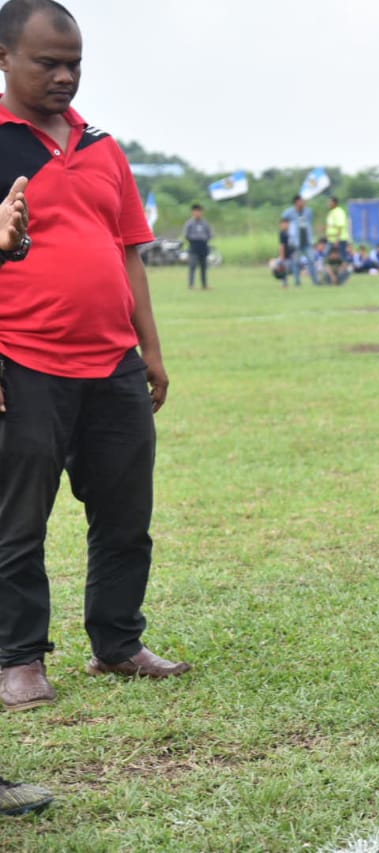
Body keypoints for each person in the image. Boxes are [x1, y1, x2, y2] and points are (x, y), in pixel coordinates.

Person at [0, 0, 191, 715]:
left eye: (74, 63)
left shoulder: (103, 146)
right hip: (24, 361)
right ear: (4, 57)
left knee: (124, 514)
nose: (64, 75)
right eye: (47, 61)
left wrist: (151, 349)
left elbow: (130, 256)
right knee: (17, 520)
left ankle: (117, 642)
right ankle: (18, 658)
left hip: (112, 364)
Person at [281, 194, 315, 286]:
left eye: (303, 201)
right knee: (296, 262)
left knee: (311, 260)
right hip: (296, 243)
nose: (302, 203)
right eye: (300, 201)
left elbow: (310, 222)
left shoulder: (308, 212)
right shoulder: (290, 212)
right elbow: (283, 220)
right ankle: (297, 282)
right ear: (296, 202)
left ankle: (315, 281)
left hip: (307, 241)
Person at [182, 203, 212, 290]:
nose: (198, 213)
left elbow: (210, 234)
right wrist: (193, 240)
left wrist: (205, 239)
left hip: (203, 245)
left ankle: (204, 285)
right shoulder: (189, 223)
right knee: (192, 266)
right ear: (193, 212)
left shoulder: (205, 223)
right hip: (193, 246)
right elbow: (186, 235)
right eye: (196, 211)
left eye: (199, 211)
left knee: (204, 266)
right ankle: (191, 285)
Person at [325, 195, 349, 260]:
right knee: (326, 255)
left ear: (335, 203)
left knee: (342, 256)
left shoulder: (339, 212)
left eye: (330, 202)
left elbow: (340, 226)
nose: (329, 203)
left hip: (339, 239)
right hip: (331, 239)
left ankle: (345, 269)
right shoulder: (331, 212)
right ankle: (326, 268)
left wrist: (337, 240)